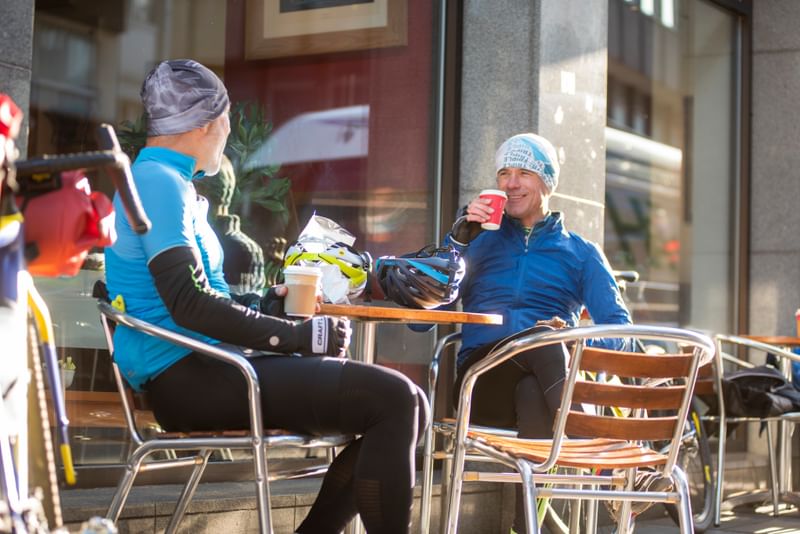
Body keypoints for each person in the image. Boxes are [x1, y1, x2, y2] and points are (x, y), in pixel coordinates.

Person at [105, 59, 428, 534]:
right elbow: (187, 303)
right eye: (227, 120)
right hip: (189, 378)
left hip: (208, 366)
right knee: (395, 398)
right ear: (207, 122)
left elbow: (200, 296)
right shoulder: (157, 181)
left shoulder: (167, 181)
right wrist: (296, 337)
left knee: (409, 402)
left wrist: (263, 303)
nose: (228, 133)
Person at [444, 132, 632, 533]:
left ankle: (524, 526)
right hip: (480, 382)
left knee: (537, 376)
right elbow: (422, 315)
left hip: (544, 387)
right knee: (543, 344)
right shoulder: (476, 241)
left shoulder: (581, 253)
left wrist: (573, 339)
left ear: (547, 181)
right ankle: (594, 449)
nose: (510, 183)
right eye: (504, 173)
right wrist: (457, 241)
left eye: (524, 172)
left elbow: (621, 334)